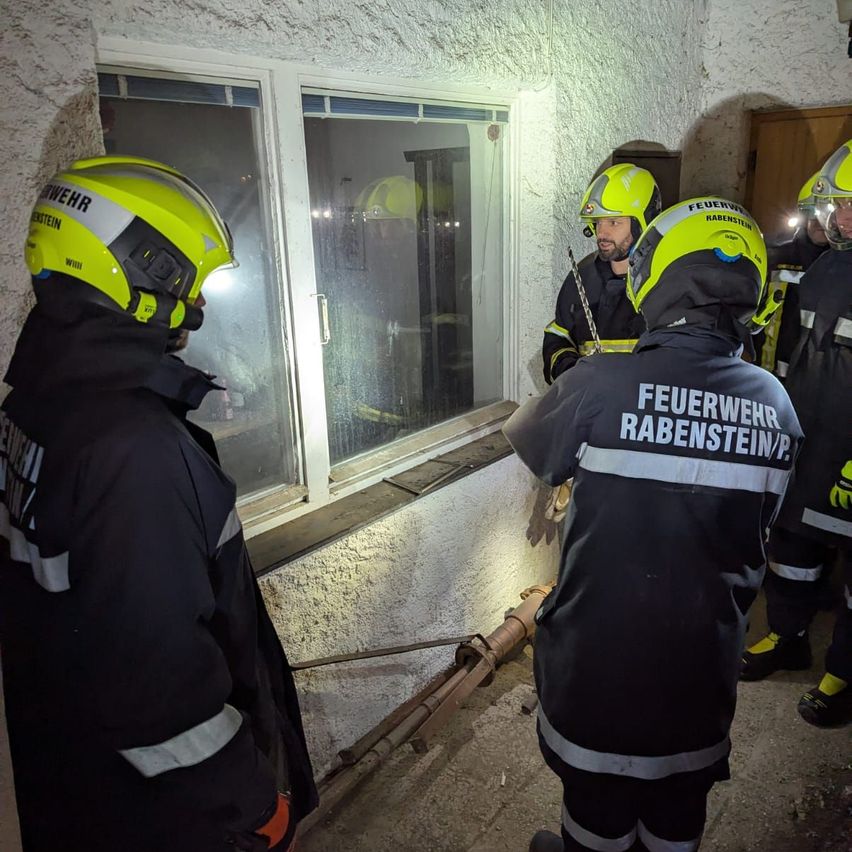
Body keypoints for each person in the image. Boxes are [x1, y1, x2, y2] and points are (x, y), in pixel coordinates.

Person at [0, 156, 318, 851]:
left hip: (82, 788)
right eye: (189, 284)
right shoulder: (132, 448)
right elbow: (162, 695)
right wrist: (254, 804)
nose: (198, 308)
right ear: (141, 272)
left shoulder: (37, 404)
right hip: (171, 816)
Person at [507, 197, 802, 852]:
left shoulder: (599, 383)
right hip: (700, 672)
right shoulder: (776, 406)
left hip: (597, 669)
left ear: (657, 278)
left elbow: (532, 445)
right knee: (676, 818)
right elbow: (762, 519)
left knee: (596, 815)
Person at [741, 141, 852, 727]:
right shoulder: (828, 264)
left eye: (845, 206)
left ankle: (846, 673)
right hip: (809, 441)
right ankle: (788, 638)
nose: (834, 217)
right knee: (792, 551)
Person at [541, 163, 661, 384]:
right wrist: (568, 369)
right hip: (592, 406)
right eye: (598, 222)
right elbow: (558, 336)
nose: (602, 234)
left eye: (614, 222)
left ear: (643, 222)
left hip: (646, 411)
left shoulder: (668, 282)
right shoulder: (581, 279)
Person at [754, 172, 828, 378]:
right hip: (766, 373)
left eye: (825, 212)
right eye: (810, 211)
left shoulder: (841, 267)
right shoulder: (774, 254)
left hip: (815, 383)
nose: (817, 220)